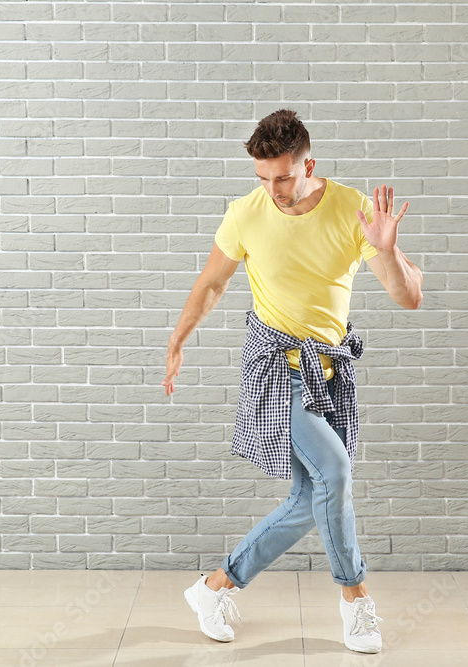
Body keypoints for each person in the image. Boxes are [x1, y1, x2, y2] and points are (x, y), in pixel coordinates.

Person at [162, 109, 423, 654]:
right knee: (336, 470)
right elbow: (211, 283)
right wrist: (178, 340)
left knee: (314, 495)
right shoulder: (246, 214)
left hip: (329, 370)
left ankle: (215, 586)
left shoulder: (354, 210)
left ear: (309, 163)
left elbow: (408, 296)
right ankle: (357, 603)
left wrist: (388, 248)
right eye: (262, 178)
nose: (273, 190)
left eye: (283, 176)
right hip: (275, 365)